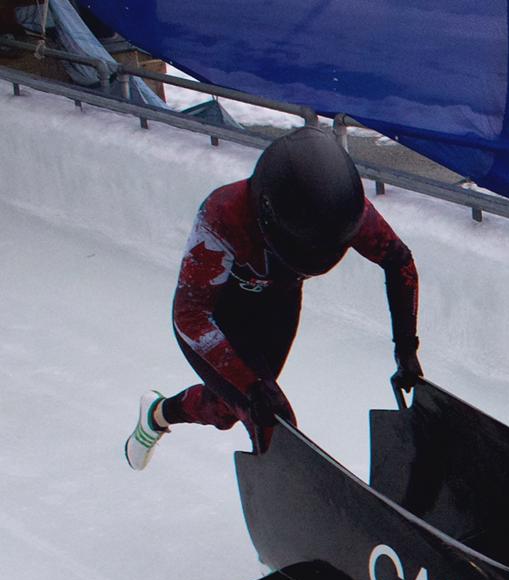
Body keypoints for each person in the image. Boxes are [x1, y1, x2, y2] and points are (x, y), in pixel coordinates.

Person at [125, 125, 422, 469]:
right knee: (272, 420)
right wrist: (249, 385)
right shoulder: (223, 216)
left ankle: (157, 415)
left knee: (226, 411)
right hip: (219, 315)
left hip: (277, 306)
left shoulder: (346, 211)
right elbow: (190, 315)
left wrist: (406, 349)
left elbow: (399, 261)